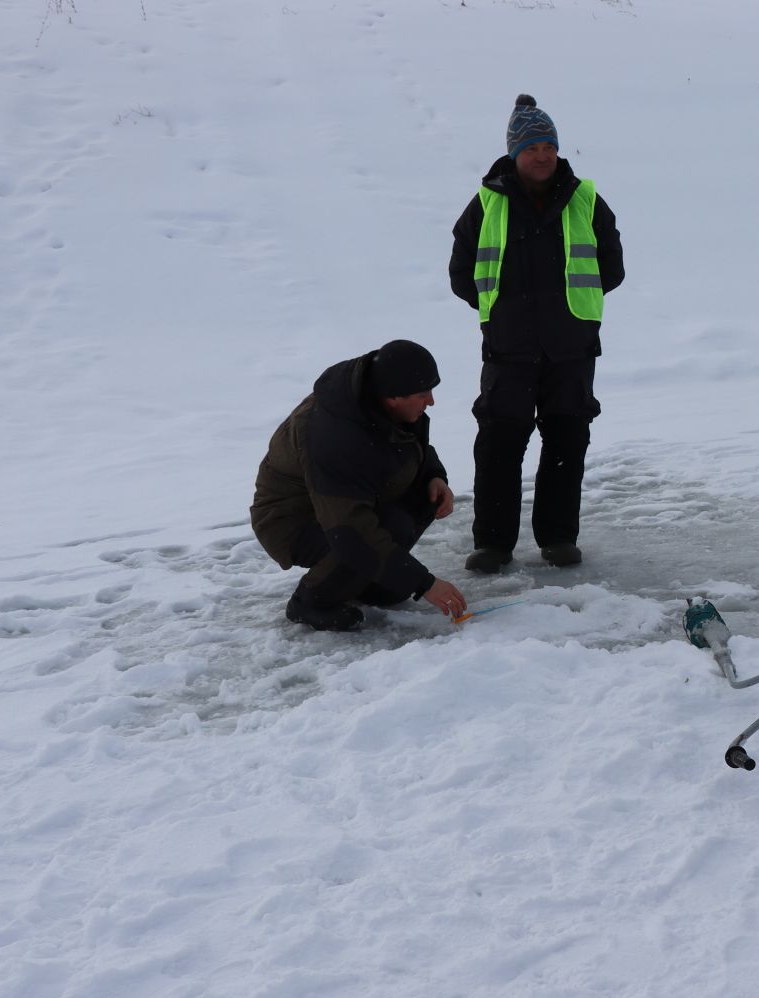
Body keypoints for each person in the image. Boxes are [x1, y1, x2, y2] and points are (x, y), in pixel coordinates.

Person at [450, 94, 625, 573]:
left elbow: (612, 267)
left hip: (571, 348)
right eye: (532, 147)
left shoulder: (586, 199)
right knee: (500, 444)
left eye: (548, 145)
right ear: (514, 153)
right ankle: (493, 544)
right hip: (508, 348)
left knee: (568, 441)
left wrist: (571, 311)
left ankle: (558, 537)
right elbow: (462, 272)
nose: (542, 155)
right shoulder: (486, 203)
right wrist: (506, 310)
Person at [250, 341, 467, 631]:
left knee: (420, 501)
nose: (431, 402)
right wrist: (423, 583)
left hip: (348, 501)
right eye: (423, 394)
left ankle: (367, 582)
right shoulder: (333, 436)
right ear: (392, 397)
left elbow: (411, 447)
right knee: (382, 530)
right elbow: (350, 528)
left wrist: (434, 476)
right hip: (293, 520)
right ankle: (311, 600)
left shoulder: (387, 403)